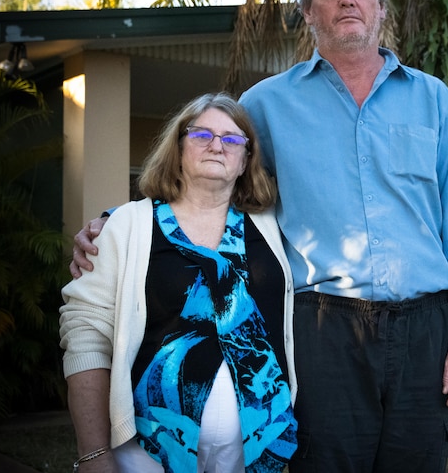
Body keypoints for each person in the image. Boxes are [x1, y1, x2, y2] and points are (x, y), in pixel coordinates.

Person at [71, 0, 448, 473]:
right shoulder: (265, 105)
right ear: (309, 12)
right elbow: (208, 169)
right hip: (323, 330)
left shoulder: (432, 99)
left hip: (426, 329)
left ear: (381, 7)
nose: (347, 1)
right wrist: (120, 225)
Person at [60, 93, 298, 473]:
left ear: (245, 161)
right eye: (201, 134)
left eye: (232, 139)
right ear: (178, 148)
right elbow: (85, 337)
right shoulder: (127, 228)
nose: (217, 145)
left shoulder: (273, 227)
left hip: (258, 452)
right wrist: (93, 454)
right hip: (147, 451)